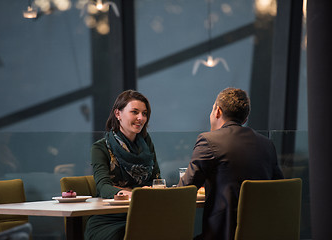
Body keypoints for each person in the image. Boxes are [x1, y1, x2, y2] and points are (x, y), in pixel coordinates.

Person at [178, 87, 284, 240]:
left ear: (217, 111)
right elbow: (278, 188)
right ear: (245, 119)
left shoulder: (209, 140)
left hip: (222, 234)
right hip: (263, 232)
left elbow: (185, 188)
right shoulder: (267, 144)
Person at [84, 90, 160, 240]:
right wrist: (135, 195)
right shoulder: (101, 147)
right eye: (135, 112)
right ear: (118, 114)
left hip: (142, 214)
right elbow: (103, 187)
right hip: (109, 219)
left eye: (144, 113)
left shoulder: (146, 143)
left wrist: (139, 194)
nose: (141, 118)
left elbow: (156, 180)